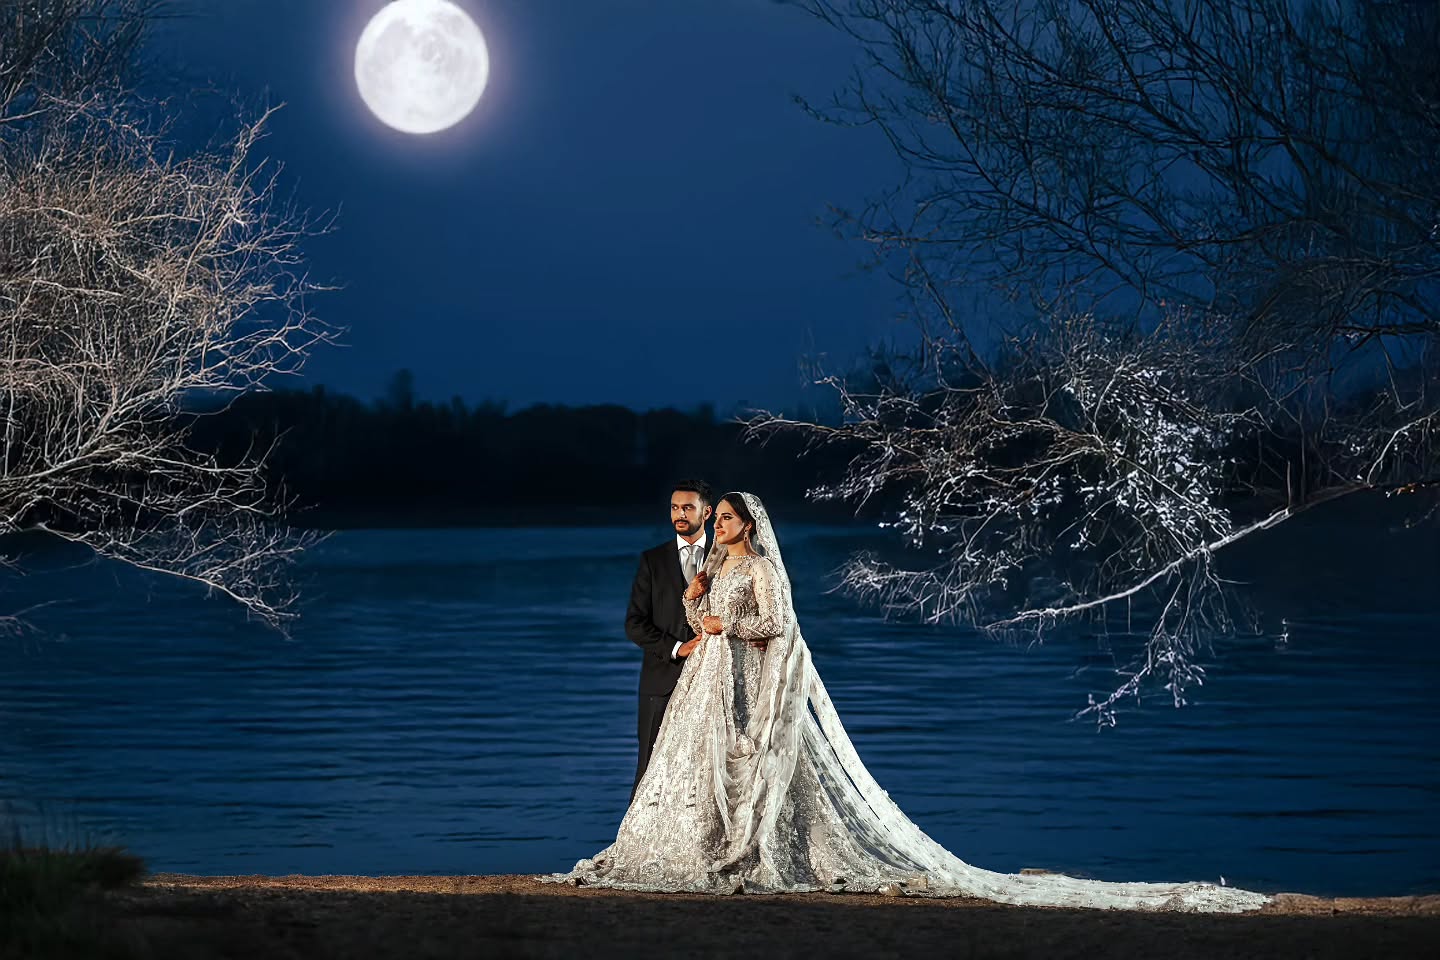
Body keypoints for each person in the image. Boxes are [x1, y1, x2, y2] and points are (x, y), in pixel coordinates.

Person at [551, 492, 1270, 912]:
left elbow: (776, 626)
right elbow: (694, 610)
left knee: (747, 761)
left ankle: (744, 848)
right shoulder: (711, 564)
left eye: (729, 517)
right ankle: (695, 842)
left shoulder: (764, 567)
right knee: (693, 765)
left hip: (739, 669)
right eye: (719, 518)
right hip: (705, 677)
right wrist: (695, 602)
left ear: (747, 523)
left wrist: (724, 626)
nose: (721, 525)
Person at [622, 479, 712, 799]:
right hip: (660, 682)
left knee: (706, 771)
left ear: (706, 512)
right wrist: (677, 648)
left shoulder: (727, 557)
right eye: (674, 508)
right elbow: (634, 624)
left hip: (713, 681)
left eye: (687, 507)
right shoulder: (652, 560)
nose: (679, 514)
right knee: (650, 770)